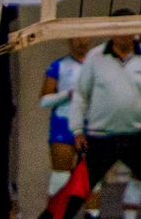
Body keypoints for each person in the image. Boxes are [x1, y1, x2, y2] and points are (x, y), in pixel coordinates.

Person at [66, 12, 141, 219]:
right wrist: (77, 129)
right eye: (118, 27)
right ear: (112, 30)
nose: (122, 32)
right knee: (72, 193)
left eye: (127, 27)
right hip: (99, 136)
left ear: (135, 30)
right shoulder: (95, 56)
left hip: (137, 135)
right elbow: (81, 97)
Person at [42, 38, 94, 204]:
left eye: (84, 37)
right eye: (76, 38)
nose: (81, 42)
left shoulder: (99, 66)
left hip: (91, 126)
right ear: (69, 40)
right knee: (60, 176)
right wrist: (67, 95)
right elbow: (44, 101)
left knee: (93, 179)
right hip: (63, 125)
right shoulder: (58, 66)